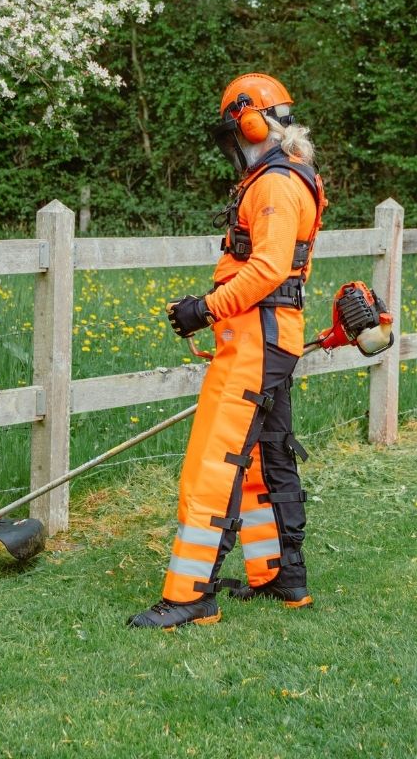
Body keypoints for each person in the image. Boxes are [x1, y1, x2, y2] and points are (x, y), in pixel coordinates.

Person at [129, 72, 326, 629]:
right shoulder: (286, 178)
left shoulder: (275, 185)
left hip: (254, 343)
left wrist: (204, 309)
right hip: (268, 340)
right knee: (266, 458)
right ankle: (281, 577)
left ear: (252, 121)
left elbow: (266, 270)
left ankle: (191, 595)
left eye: (233, 133)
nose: (232, 146)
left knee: (213, 465)